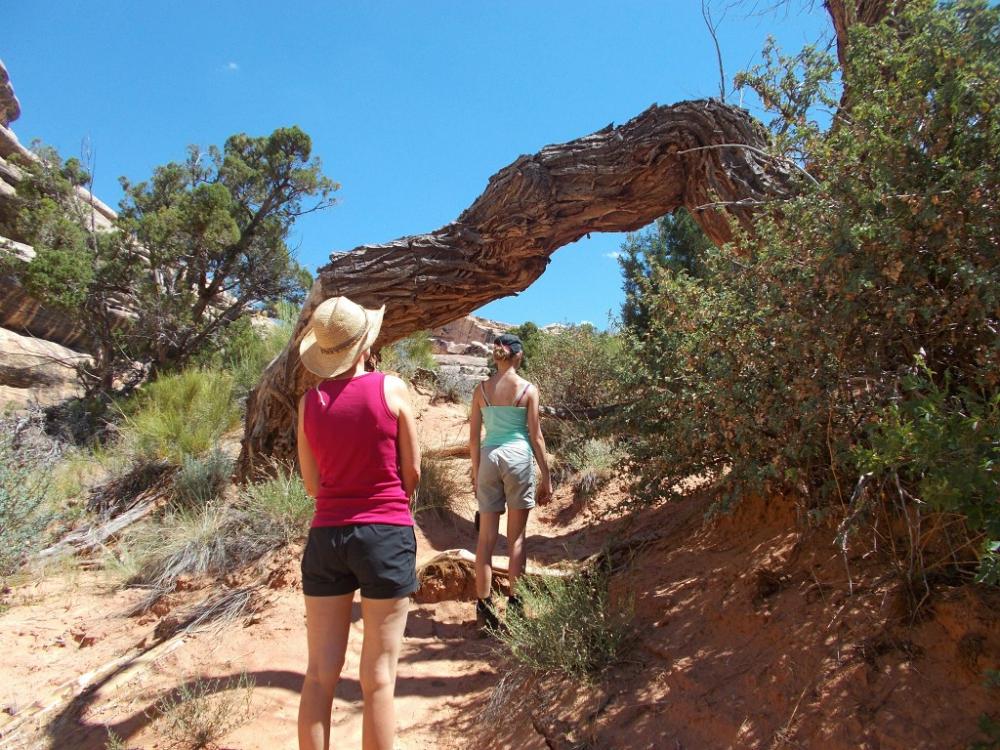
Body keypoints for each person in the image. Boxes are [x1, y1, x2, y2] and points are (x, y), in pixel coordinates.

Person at [295, 296, 420, 750]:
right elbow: (413, 472)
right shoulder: (392, 389)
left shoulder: (309, 404)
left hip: (326, 535)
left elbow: (312, 484)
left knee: (319, 674)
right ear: (365, 343)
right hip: (384, 531)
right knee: (379, 678)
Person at [469, 333, 552, 632]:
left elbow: (473, 438)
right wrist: (547, 475)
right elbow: (536, 435)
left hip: (489, 458)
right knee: (516, 539)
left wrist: (476, 472)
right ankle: (516, 609)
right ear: (518, 356)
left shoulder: (481, 389)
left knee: (485, 540)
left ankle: (485, 611)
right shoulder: (528, 389)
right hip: (518, 458)